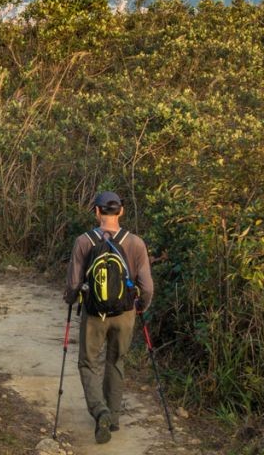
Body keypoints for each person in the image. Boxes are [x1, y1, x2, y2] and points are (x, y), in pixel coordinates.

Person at [64, 190, 154, 445]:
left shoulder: (84, 241)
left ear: (97, 211)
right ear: (121, 211)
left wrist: (71, 299)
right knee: (116, 361)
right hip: (125, 314)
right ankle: (113, 418)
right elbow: (147, 287)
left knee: (88, 363)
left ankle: (99, 411)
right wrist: (141, 306)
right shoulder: (135, 243)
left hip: (94, 314)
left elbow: (73, 283)